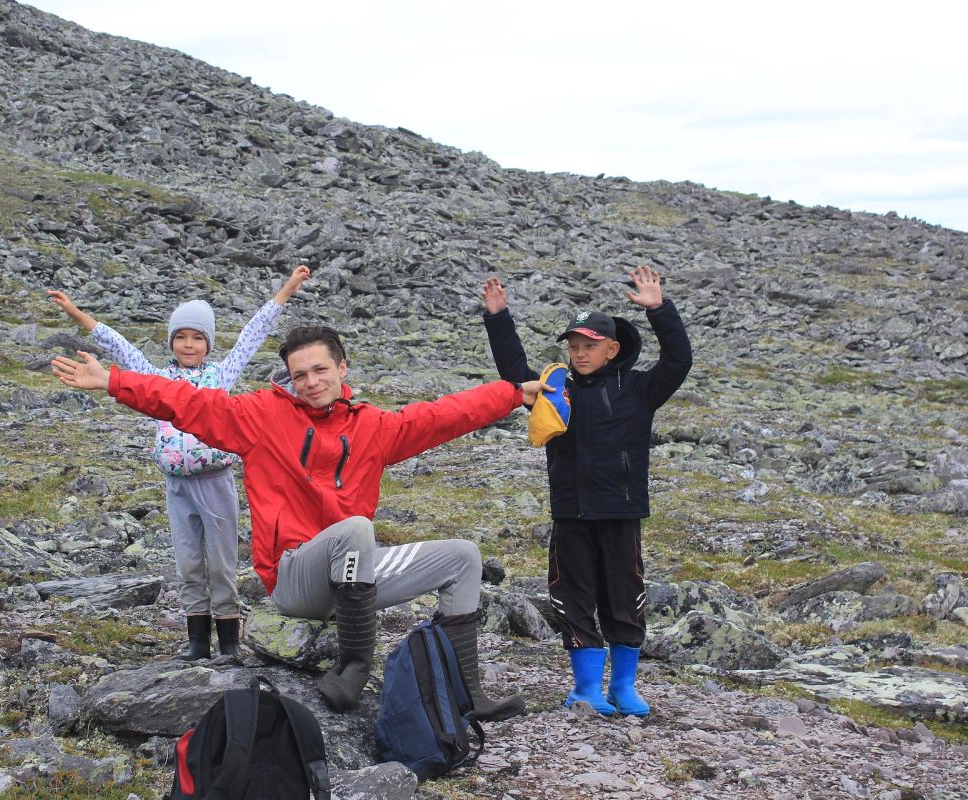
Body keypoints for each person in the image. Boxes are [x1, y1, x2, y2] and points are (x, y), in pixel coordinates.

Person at [51, 325, 549, 720]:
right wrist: (114, 381)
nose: (310, 382)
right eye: (299, 374)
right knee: (356, 528)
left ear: (342, 368)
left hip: (353, 576)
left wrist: (512, 394)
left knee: (463, 556)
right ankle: (353, 665)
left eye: (320, 370)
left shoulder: (374, 426)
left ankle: (467, 692)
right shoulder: (258, 416)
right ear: (288, 377)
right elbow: (188, 403)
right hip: (293, 579)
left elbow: (442, 415)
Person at [46, 264, 310, 661]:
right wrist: (77, 313)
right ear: (171, 342)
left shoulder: (221, 376)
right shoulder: (156, 379)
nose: (188, 344)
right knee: (188, 563)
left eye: (197, 337)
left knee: (221, 563)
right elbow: (120, 348)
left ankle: (231, 642)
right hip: (177, 485)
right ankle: (197, 642)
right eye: (181, 337)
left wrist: (287, 289)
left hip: (215, 481)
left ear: (208, 343)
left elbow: (252, 334)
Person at [480, 265, 692, 717]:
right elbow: (515, 374)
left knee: (625, 595)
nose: (579, 353)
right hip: (571, 514)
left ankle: (623, 687)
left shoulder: (639, 388)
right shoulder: (558, 390)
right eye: (573, 346)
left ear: (612, 349)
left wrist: (660, 310)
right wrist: (498, 318)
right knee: (573, 596)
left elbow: (678, 362)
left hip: (620, 512)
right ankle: (586, 689)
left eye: (589, 346)